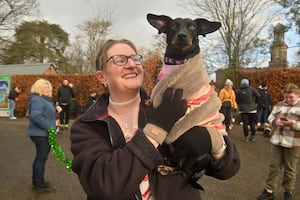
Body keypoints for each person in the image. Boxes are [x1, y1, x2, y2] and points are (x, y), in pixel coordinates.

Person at [70, 38, 240, 200]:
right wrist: (157, 128)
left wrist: (213, 141)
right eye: (120, 60)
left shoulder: (170, 105)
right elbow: (106, 188)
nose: (131, 64)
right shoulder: (87, 127)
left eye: (135, 59)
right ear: (102, 77)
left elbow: (228, 169)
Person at [257, 83, 300, 200]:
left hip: (293, 143)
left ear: (298, 95)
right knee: (273, 167)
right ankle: (269, 191)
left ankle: (288, 192)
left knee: (290, 169)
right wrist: (275, 122)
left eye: (291, 97)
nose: (287, 99)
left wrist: (292, 124)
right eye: (286, 97)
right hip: (277, 141)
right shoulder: (279, 105)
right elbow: (270, 117)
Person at [27, 79, 62, 192]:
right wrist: (50, 127)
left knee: (41, 158)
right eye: (44, 87)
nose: (47, 89)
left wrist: (56, 112)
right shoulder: (38, 100)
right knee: (41, 158)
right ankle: (39, 184)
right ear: (38, 88)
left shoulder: (44, 99)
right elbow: (35, 116)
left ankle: (38, 181)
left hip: (43, 133)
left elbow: (45, 114)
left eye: (48, 87)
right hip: (40, 134)